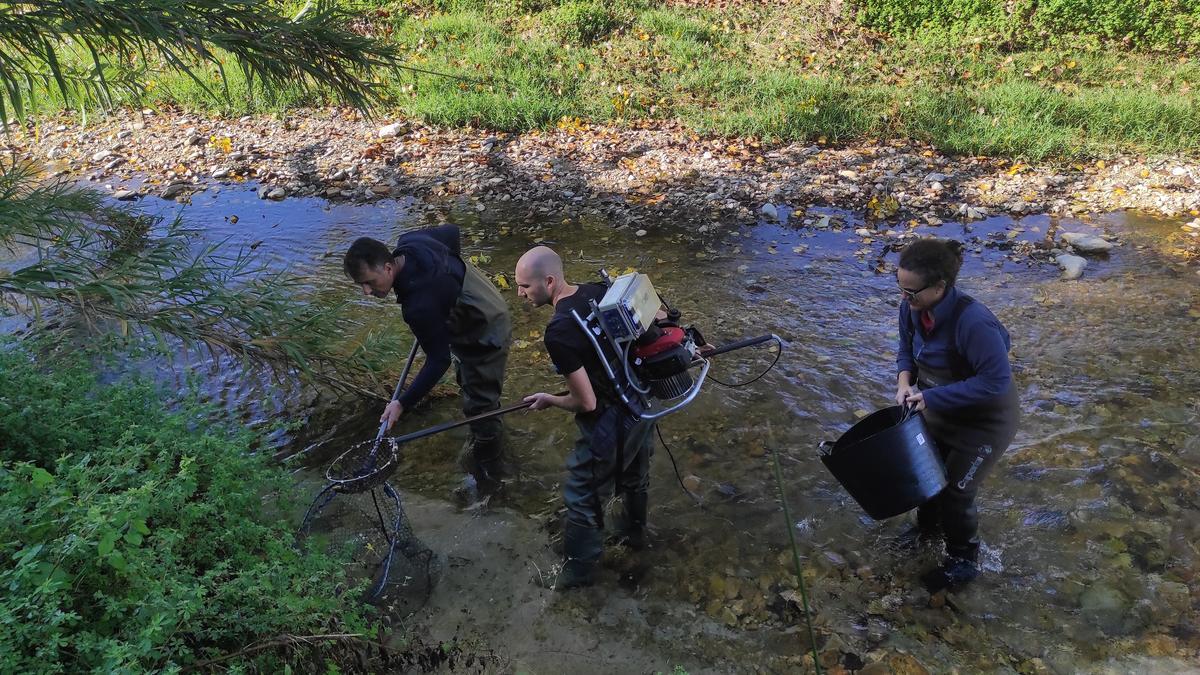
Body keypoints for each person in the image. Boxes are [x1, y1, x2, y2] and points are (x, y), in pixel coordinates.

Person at [514, 246, 656, 590]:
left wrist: (551, 399)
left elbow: (586, 402)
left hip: (611, 420)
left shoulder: (559, 331)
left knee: (582, 496)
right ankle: (635, 537)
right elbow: (646, 325)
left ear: (549, 281)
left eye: (525, 286)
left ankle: (577, 576)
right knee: (635, 474)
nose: (519, 293)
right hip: (642, 400)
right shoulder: (598, 290)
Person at [344, 224, 512, 495]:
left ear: (388, 267)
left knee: (480, 405)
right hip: (480, 295)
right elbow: (452, 233)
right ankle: (488, 450)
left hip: (485, 326)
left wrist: (402, 403)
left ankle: (492, 478)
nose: (366, 292)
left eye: (369, 282)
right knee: (469, 384)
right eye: (360, 285)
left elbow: (438, 361)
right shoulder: (410, 241)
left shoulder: (419, 306)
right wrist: (444, 298)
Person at [894, 237, 1020, 591]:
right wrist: (904, 383)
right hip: (936, 406)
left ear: (940, 286)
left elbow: (996, 381)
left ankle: (964, 560)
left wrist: (931, 398)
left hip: (985, 422)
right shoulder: (911, 307)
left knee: (956, 492)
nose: (905, 298)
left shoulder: (974, 322)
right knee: (926, 475)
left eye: (912, 292)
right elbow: (905, 350)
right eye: (900, 288)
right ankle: (926, 531)